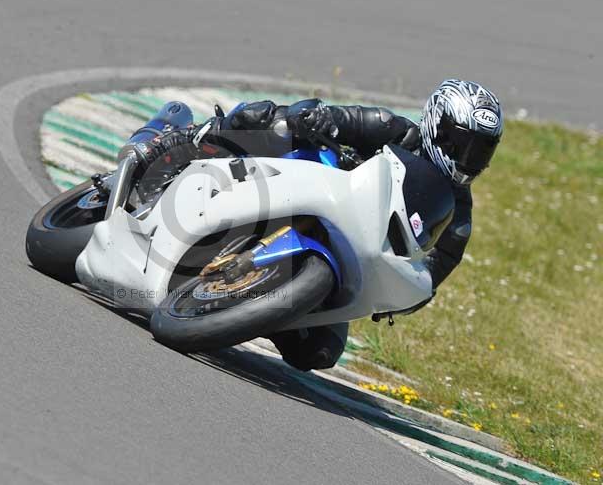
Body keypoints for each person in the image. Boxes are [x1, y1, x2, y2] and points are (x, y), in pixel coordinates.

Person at [128, 79, 503, 371]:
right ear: (436, 124)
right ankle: (177, 141)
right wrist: (321, 121)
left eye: (481, 151)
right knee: (266, 119)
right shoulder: (391, 129)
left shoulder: (458, 217)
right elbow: (342, 119)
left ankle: (248, 307)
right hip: (301, 182)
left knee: (318, 352)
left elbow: (430, 275)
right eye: (461, 144)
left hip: (344, 255)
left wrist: (401, 296)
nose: (469, 159)